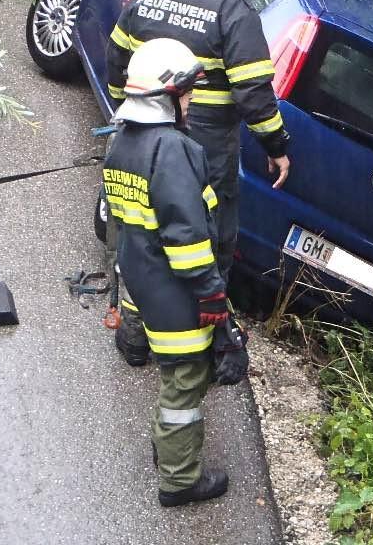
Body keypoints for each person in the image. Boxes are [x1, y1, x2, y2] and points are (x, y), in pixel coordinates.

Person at [104, 0, 291, 363]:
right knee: (208, 236)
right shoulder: (235, 12)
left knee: (139, 234)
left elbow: (115, 59)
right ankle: (204, 333)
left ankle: (133, 332)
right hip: (205, 150)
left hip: (140, 136)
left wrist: (123, 111)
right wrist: (277, 146)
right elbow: (253, 95)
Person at [104, 38, 246, 508]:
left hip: (143, 282)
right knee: (184, 382)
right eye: (185, 95)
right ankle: (179, 479)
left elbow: (123, 227)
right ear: (165, 97)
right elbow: (186, 238)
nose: (189, 103)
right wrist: (211, 296)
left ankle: (168, 448)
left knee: (178, 376)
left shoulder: (119, 143)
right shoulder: (172, 150)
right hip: (176, 291)